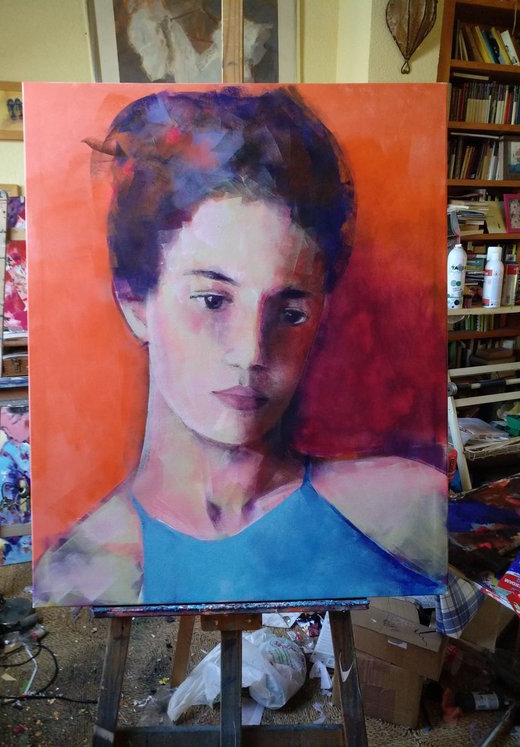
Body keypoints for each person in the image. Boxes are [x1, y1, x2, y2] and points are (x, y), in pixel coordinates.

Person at [33, 87, 447, 606]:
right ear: (136, 304)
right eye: (212, 301)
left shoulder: (407, 508)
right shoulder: (86, 571)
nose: (251, 352)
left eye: (290, 313)